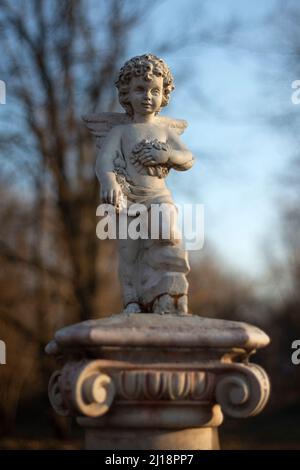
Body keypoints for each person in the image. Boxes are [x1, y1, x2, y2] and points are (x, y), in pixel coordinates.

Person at [95, 54, 195, 314]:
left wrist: (167, 155)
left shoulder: (166, 132)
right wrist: (109, 182)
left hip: (159, 197)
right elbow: (103, 162)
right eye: (140, 89)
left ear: (164, 96)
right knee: (129, 251)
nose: (147, 96)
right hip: (127, 200)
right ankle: (132, 299)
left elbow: (188, 159)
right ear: (126, 93)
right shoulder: (120, 132)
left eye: (155, 91)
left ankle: (167, 285)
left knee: (168, 233)